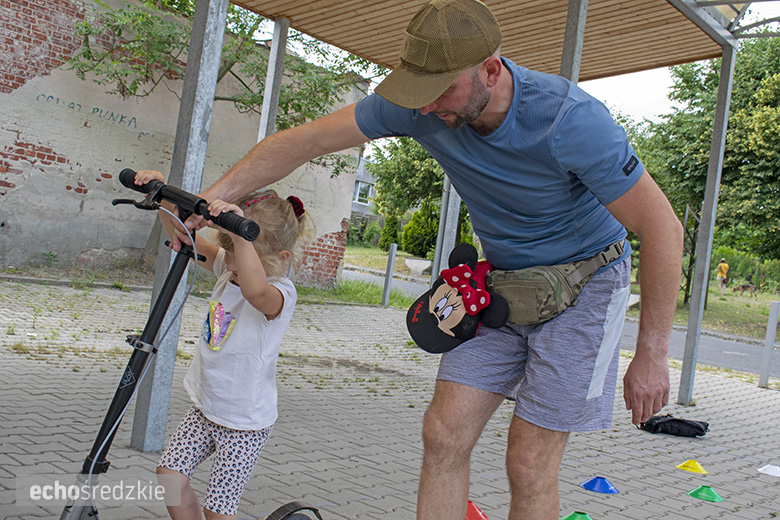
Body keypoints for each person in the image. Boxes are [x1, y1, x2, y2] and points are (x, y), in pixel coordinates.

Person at [163, 1, 683, 518]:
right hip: (499, 284)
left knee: (528, 462)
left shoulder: (570, 120)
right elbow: (304, 141)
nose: (427, 107)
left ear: (491, 71)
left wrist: (652, 353)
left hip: (586, 284)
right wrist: (208, 201)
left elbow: (662, 228)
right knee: (442, 434)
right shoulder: (420, 106)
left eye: (440, 91)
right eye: (418, 92)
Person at [133, 170, 315, 520]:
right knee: (170, 476)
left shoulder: (280, 294)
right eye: (228, 251)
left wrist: (241, 239)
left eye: (240, 253)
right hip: (207, 408)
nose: (229, 262)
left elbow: (255, 292)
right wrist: (162, 196)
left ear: (281, 258)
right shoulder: (229, 268)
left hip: (244, 423)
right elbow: (184, 238)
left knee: (218, 509)